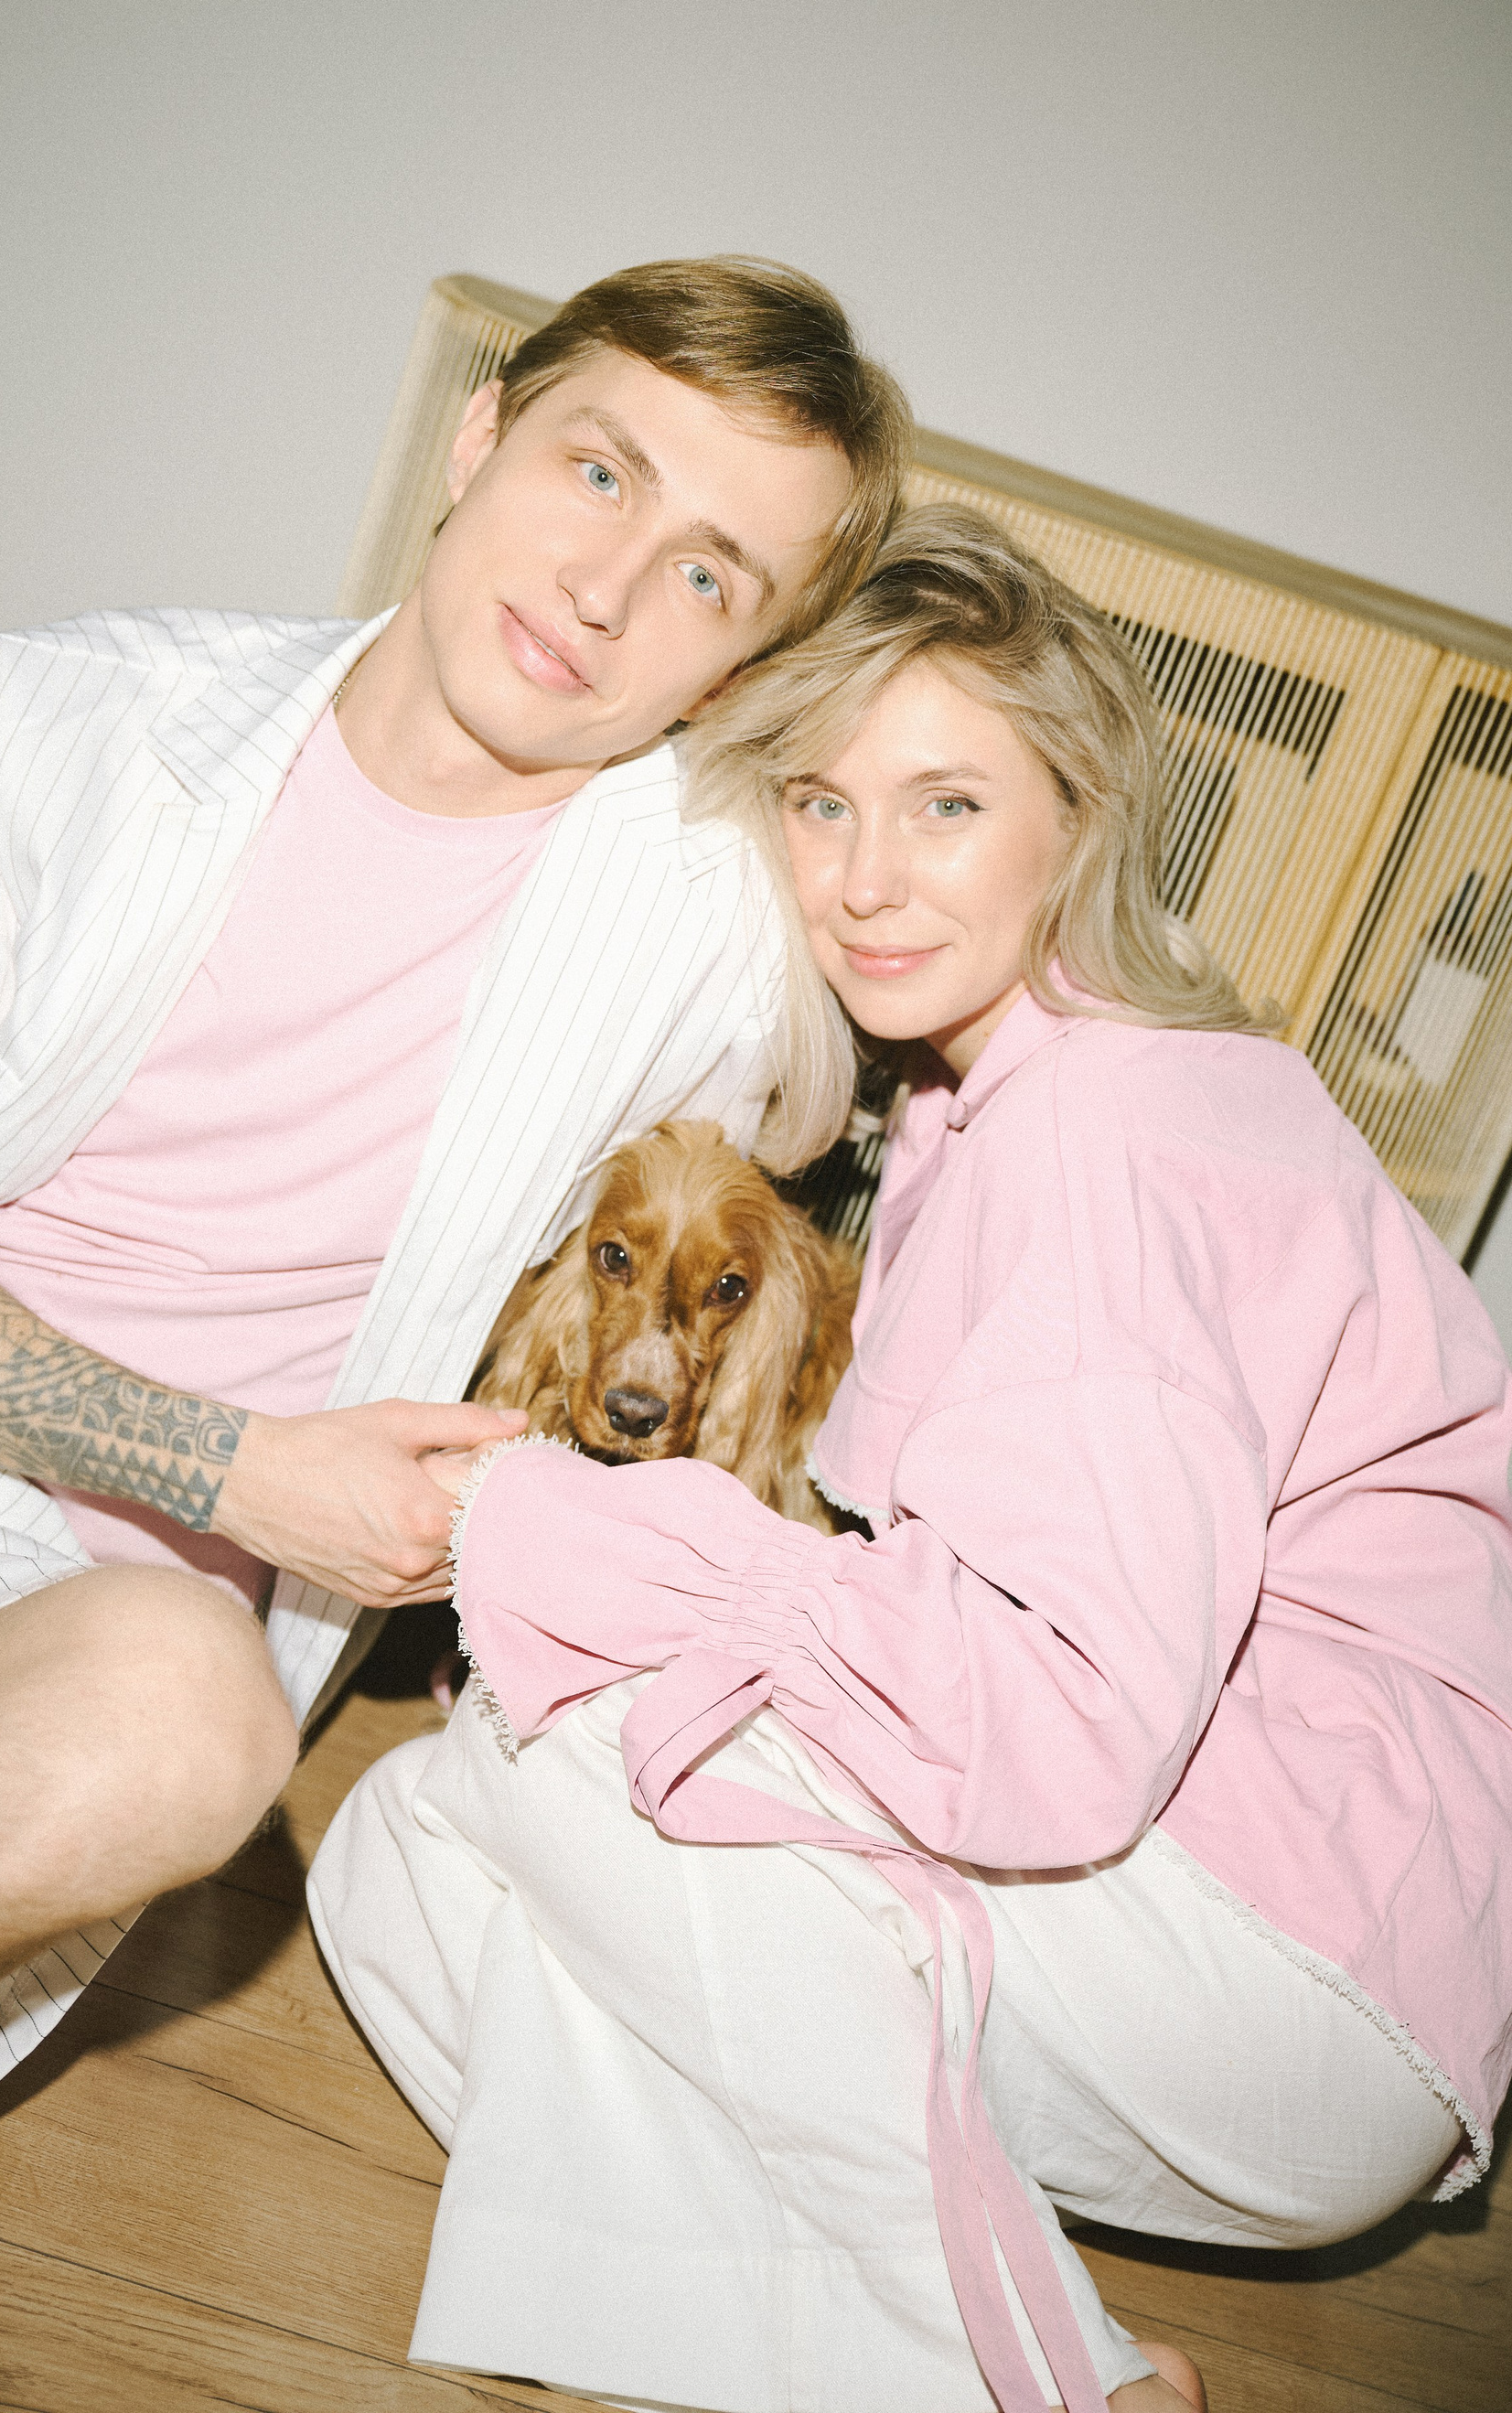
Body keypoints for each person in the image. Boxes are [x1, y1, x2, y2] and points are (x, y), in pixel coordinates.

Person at [313, 504, 1512, 2413]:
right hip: (1232, 1951)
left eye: (946, 805)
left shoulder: (1097, 1136)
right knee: (400, 1862)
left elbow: (1061, 1729)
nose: (865, 879)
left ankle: (1054, 2379)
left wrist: (523, 1521)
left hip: (1287, 1959)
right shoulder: (994, 1101)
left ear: (1078, 821)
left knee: (572, 1728)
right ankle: (872, 2339)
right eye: (822, 802)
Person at [0, 257, 912, 2152]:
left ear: (741, 672)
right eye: (599, 472)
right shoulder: (68, 715)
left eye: (710, 577)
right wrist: (229, 1466)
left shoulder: (714, 934)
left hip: (75, 1634)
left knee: (185, 1725)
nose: (607, 590)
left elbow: (970, 992)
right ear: (480, 433)